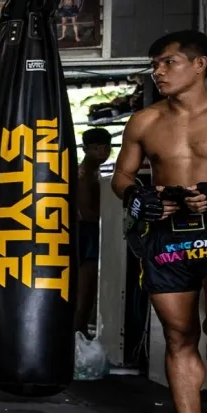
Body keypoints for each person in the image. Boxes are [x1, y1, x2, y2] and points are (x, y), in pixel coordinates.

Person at [112, 30, 207, 413]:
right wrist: (137, 196)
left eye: (168, 62)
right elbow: (123, 176)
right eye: (155, 64)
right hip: (169, 236)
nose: (158, 71)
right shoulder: (145, 121)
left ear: (199, 65)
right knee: (179, 335)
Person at [76, 127, 113, 336]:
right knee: (85, 284)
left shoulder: (96, 172)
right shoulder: (82, 173)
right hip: (86, 232)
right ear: (86, 149)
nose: (103, 152)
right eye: (97, 148)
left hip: (91, 231)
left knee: (89, 286)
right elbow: (85, 212)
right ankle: (77, 330)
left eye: (106, 148)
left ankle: (80, 329)